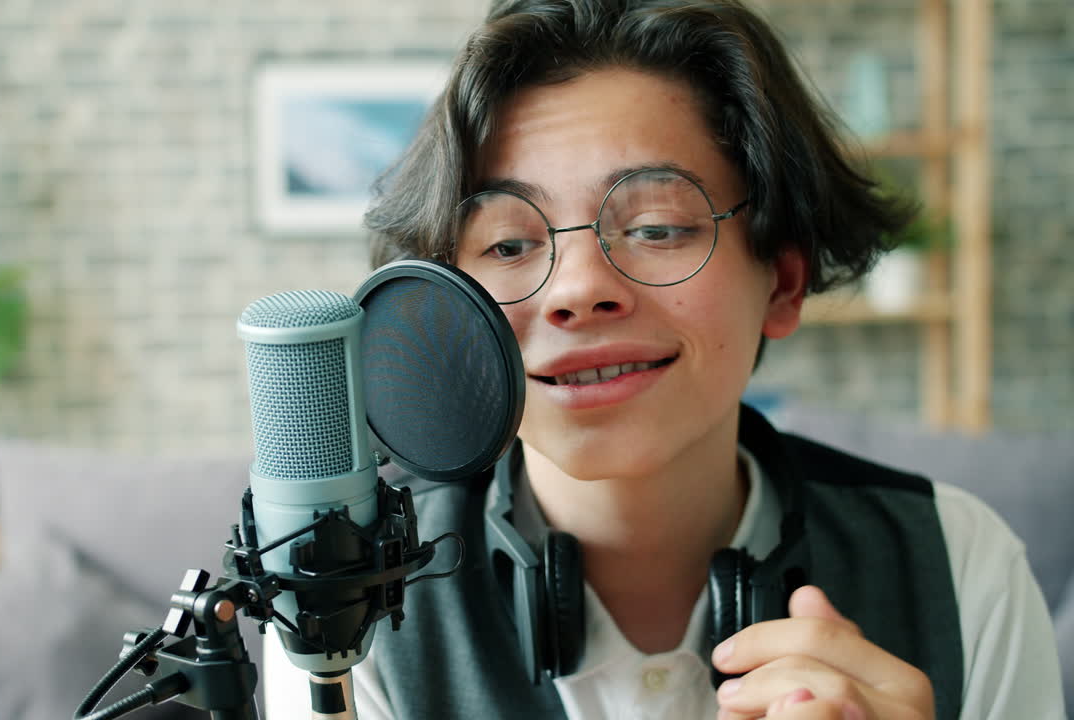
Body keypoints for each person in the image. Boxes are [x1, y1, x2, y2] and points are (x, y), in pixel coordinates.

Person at [264, 0, 1065, 718]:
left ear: (782, 283)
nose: (577, 291)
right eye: (508, 243)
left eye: (655, 228)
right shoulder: (341, 608)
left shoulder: (964, 568)